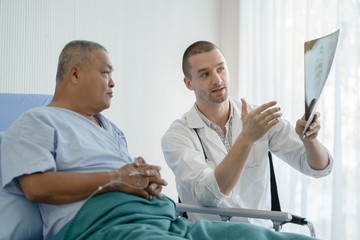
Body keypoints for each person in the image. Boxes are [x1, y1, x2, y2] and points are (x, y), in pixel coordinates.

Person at [1, 40, 316, 240]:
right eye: (105, 73)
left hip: (167, 221)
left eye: (220, 69)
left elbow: (315, 165)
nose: (113, 83)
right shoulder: (37, 121)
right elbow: (36, 187)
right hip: (107, 227)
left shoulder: (109, 129)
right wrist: (117, 178)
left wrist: (144, 183)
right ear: (74, 74)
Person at [161, 41, 333, 228]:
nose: (217, 79)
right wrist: (247, 137)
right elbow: (208, 195)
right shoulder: (178, 136)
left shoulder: (259, 117)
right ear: (188, 83)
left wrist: (311, 141)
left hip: (263, 233)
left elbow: (319, 168)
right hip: (212, 236)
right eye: (205, 74)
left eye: (221, 69)